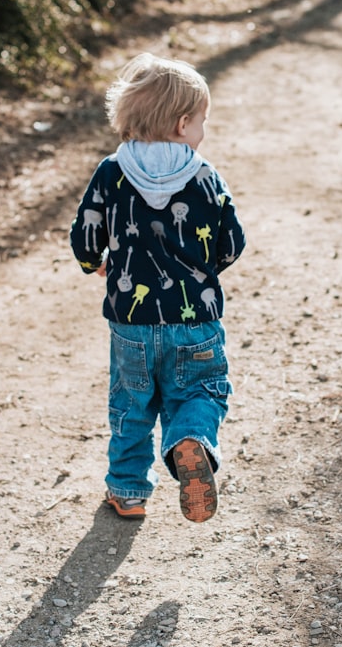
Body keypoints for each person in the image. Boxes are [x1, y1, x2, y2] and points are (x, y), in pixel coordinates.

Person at [69, 53, 246, 523]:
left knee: (131, 404)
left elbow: (85, 233)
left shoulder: (111, 171)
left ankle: (128, 492)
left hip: (131, 323)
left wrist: (96, 263)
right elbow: (232, 241)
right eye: (202, 121)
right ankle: (191, 441)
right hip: (197, 321)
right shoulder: (205, 176)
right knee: (202, 390)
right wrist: (204, 275)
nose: (203, 131)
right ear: (183, 123)